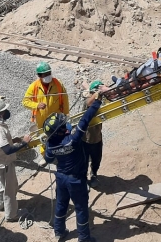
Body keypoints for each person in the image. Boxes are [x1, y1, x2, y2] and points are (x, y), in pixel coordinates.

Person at [43, 95, 102, 242]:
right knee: (81, 208)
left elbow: (49, 159)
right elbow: (85, 120)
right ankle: (84, 238)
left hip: (61, 178)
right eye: (63, 126)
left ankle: (59, 231)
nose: (66, 126)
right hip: (75, 180)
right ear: (59, 131)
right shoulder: (72, 141)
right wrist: (97, 103)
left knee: (61, 204)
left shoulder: (50, 146)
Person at [0, 99, 32, 222]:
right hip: (4, 162)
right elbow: (8, 150)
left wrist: (13, 140)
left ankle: (0, 205)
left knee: (2, 183)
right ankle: (12, 215)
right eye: (4, 111)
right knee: (10, 188)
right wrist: (24, 143)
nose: (6, 112)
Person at [22, 61, 69, 166]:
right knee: (43, 137)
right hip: (41, 119)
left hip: (56, 118)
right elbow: (25, 102)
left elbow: (65, 98)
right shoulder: (34, 86)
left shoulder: (58, 83)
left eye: (49, 73)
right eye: (45, 74)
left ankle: (60, 152)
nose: (48, 76)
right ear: (39, 75)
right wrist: (36, 105)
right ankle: (46, 157)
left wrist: (66, 113)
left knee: (59, 134)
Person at [81, 80, 106, 189]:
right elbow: (89, 103)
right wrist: (98, 94)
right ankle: (83, 178)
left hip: (97, 138)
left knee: (96, 160)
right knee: (83, 161)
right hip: (85, 140)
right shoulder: (87, 101)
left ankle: (94, 175)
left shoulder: (101, 103)